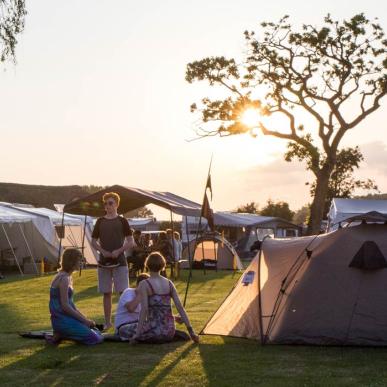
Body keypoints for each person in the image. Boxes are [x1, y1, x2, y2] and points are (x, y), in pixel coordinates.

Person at [131, 252, 199, 344]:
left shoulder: (145, 284)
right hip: (169, 332)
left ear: (147, 265)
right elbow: (180, 308)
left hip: (154, 331)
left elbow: (144, 310)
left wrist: (137, 334)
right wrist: (192, 332)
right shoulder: (169, 283)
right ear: (163, 265)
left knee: (125, 330)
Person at [91, 192, 136, 330]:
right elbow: (93, 241)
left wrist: (118, 251)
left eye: (110, 203)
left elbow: (131, 241)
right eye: (105, 203)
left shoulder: (123, 221)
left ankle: (124, 321)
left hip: (120, 262)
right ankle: (108, 322)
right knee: (106, 293)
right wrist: (103, 251)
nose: (107, 206)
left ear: (116, 204)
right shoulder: (100, 221)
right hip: (103, 263)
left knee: (123, 292)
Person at [47, 248, 103, 345]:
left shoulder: (67, 277)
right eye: (79, 260)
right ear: (71, 261)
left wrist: (86, 320)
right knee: (95, 338)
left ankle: (60, 334)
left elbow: (71, 304)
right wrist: (85, 321)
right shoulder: (63, 279)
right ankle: (62, 333)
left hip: (65, 318)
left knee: (96, 332)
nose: (81, 263)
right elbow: (65, 306)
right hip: (61, 320)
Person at [115, 273, 150, 340]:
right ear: (138, 285)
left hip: (138, 325)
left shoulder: (147, 297)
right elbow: (131, 308)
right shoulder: (128, 292)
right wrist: (141, 294)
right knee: (148, 328)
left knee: (155, 325)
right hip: (123, 326)